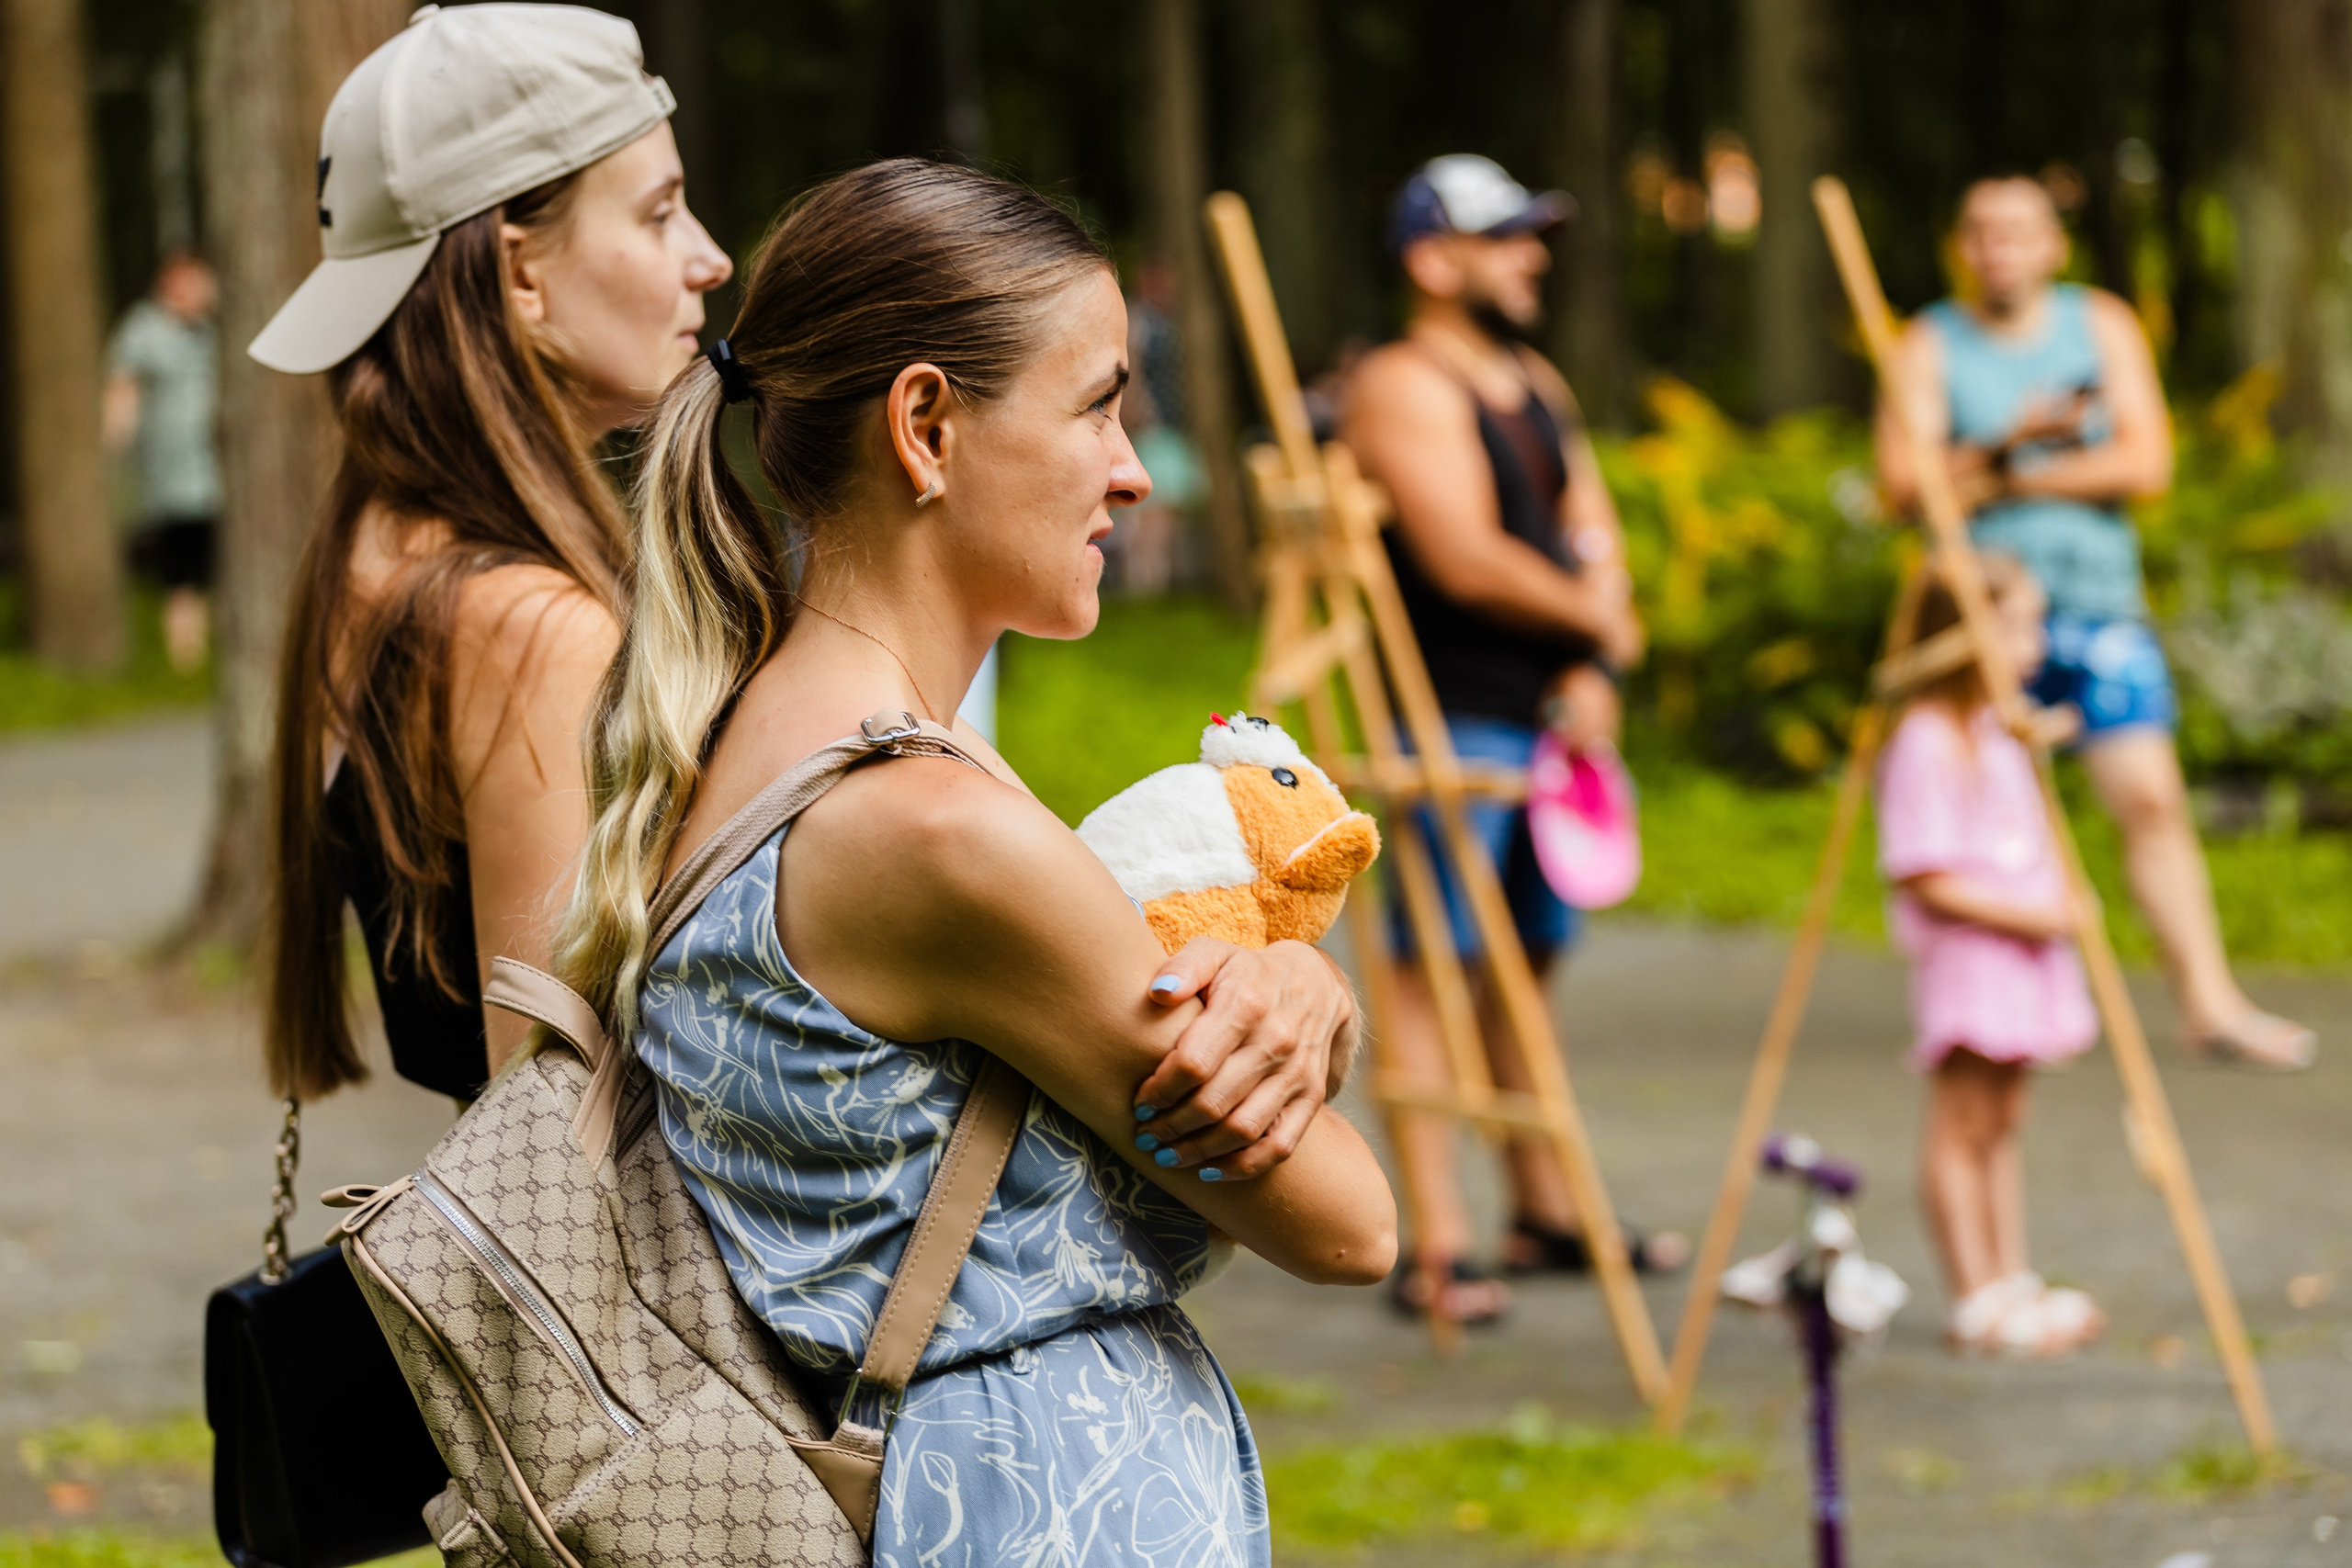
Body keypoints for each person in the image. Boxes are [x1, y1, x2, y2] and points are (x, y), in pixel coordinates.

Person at [259, 6, 1341, 1143]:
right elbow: (559, 1134)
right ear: (521, 275)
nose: (709, 258)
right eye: (658, 210)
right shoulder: (527, 622)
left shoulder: (382, 545)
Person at [552, 159, 1397, 1566]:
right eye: (1096, 403)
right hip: (1035, 1512)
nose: (1132, 465)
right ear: (927, 424)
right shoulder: (932, 831)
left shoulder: (751, 740)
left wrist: (1299, 992)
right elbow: (1348, 1218)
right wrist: (1305, 996)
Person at [1880, 175, 2313, 1071]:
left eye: (2019, 232)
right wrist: (2011, 444)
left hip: (2092, 603)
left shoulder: (2101, 325)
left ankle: (2209, 1001)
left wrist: (2002, 474)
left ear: (2053, 246)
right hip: (1978, 619)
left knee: (2149, 800)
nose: (2000, 249)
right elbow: (1901, 486)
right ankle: (1979, 1002)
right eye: (1983, 233)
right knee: (1970, 810)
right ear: (1962, 247)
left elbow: (2143, 462)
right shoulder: (1929, 343)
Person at [1341, 154, 1674, 1324]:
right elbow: (1464, 553)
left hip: (1541, 715)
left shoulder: (1529, 376)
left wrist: (1591, 654)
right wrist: (1599, 618)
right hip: (1448, 711)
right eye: (1505, 239)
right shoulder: (1399, 384)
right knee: (1435, 971)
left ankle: (1540, 1208)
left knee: (1527, 963)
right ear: (1433, 261)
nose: (1531, 257)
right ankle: (1435, 1241)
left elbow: (1586, 524)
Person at [1878, 553, 2106, 1358]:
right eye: (2014, 625)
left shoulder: (1997, 732)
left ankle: (2009, 1277)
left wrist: (2061, 907)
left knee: (2005, 1117)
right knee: (1962, 1119)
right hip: (1977, 957)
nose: (2032, 643)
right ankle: (1972, 1291)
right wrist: (2033, 913)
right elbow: (1924, 871)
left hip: (2025, 957)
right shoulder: (1927, 741)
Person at [103, 252, 220, 672]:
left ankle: (208, 651)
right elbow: (123, 391)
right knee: (180, 566)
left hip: (216, 473)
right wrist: (115, 449)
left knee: (214, 560)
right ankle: (184, 658)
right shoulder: (144, 331)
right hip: (170, 473)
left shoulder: (211, 330)